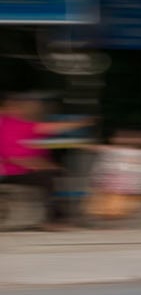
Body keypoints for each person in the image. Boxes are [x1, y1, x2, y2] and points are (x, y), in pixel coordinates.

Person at [0, 92, 93, 230]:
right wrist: (37, 165)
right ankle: (55, 220)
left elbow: (47, 128)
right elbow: (12, 156)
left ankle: (60, 217)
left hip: (20, 170)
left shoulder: (21, 124)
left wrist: (80, 123)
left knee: (54, 174)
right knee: (50, 178)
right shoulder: (8, 123)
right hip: (10, 172)